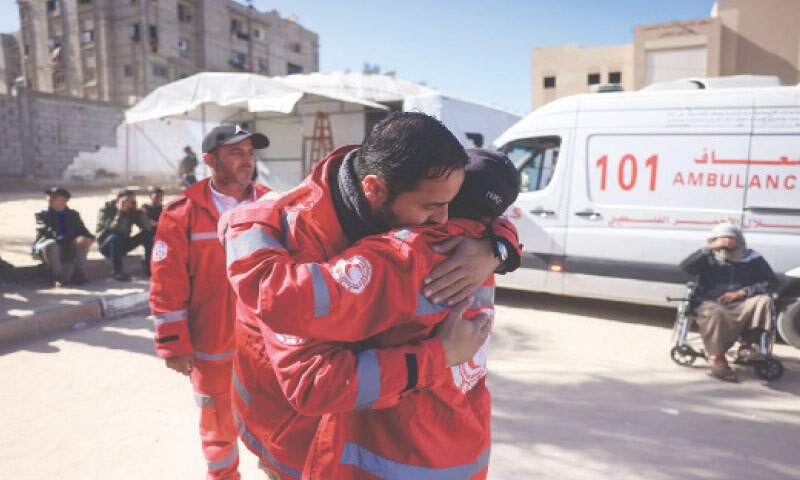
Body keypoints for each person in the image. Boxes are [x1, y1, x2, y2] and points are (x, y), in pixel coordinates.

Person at [220, 113, 521, 479]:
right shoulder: (300, 240)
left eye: (451, 204)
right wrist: (437, 356)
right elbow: (313, 381)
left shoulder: (423, 197)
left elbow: (481, 213)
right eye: (431, 207)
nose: (445, 221)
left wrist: (497, 246)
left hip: (346, 438)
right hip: (294, 441)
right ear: (375, 189)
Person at [295, 148, 520, 479]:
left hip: (393, 454)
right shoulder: (483, 254)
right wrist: (501, 244)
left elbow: (299, 318)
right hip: (465, 449)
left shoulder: (394, 254)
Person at [149, 124, 271, 480]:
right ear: (209, 160)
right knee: (219, 427)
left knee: (277, 423)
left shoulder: (271, 203)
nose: (247, 160)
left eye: (249, 153)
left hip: (267, 345)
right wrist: (173, 342)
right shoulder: (182, 212)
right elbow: (166, 281)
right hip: (213, 346)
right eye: (236, 153)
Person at [679, 222, 779, 383]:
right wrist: (711, 248)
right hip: (711, 301)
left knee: (764, 300)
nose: (728, 247)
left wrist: (741, 292)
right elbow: (685, 267)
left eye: (732, 242)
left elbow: (771, 282)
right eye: (722, 242)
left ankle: (746, 348)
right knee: (716, 312)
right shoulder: (708, 257)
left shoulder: (753, 258)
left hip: (743, 300)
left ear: (740, 241)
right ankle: (719, 359)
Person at [32, 187, 95, 287]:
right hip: (47, 248)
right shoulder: (42, 214)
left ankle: (79, 274)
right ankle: (58, 277)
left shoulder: (73, 215)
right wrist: (71, 240)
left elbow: (84, 231)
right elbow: (50, 232)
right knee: (52, 244)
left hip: (68, 246)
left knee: (83, 242)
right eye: (50, 196)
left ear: (64, 200)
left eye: (54, 197)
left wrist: (89, 239)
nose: (50, 198)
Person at [96, 189, 153, 281]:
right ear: (118, 201)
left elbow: (147, 227)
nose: (129, 204)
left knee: (147, 234)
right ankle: (117, 272)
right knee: (117, 236)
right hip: (106, 246)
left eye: (132, 201)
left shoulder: (131, 210)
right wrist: (120, 213)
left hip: (122, 244)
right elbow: (113, 228)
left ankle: (149, 268)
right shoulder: (106, 210)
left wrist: (140, 213)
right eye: (127, 201)